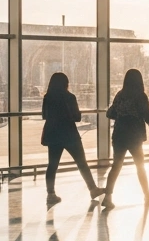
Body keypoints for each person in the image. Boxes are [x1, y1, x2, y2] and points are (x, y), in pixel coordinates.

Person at [103, 68, 149, 208]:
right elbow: (148, 116)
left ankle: (107, 197)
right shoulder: (140, 96)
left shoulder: (120, 94)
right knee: (140, 166)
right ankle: (147, 194)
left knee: (116, 166)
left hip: (119, 134)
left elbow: (111, 113)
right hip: (134, 136)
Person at [41, 72, 104, 204]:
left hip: (53, 134)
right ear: (66, 83)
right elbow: (77, 117)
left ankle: (50, 194)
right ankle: (92, 189)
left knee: (52, 165)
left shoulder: (47, 97)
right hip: (69, 134)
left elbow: (44, 116)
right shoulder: (70, 97)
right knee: (82, 163)